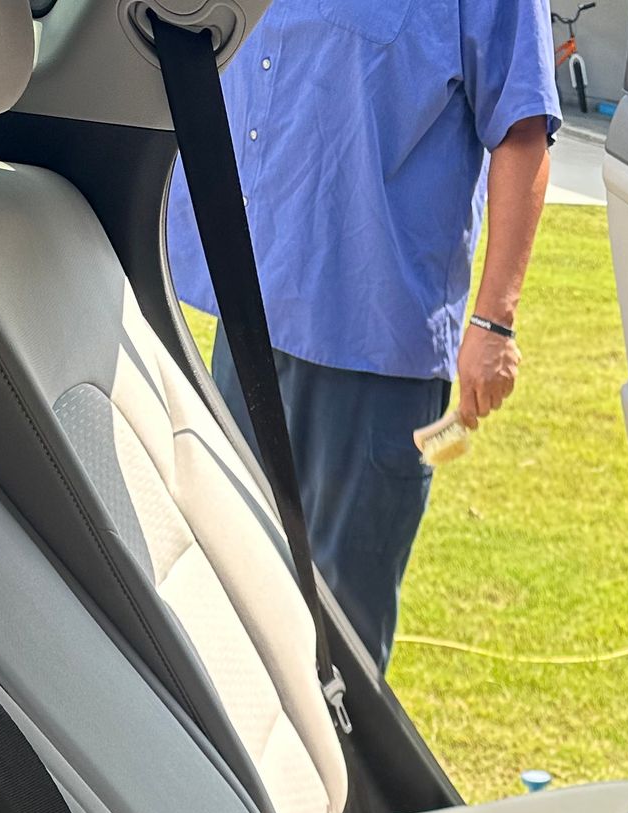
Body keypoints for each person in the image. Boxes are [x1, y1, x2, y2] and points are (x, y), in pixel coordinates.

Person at [168, 0, 560, 673]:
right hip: (250, 321)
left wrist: (494, 323)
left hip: (374, 354)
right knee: (227, 594)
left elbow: (523, 131)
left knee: (338, 636)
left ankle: (336, 748)